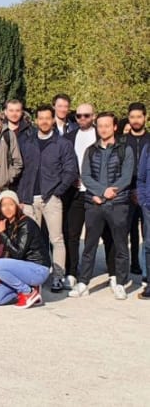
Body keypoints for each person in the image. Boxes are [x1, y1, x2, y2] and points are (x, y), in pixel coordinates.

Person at [70, 112, 134, 300]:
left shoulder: (125, 150)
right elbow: (86, 176)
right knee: (89, 245)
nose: (103, 129)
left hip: (118, 204)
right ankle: (84, 282)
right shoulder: (91, 150)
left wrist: (108, 195)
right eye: (100, 126)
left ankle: (120, 283)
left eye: (107, 125)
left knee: (121, 245)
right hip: (95, 205)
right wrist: (100, 193)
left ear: (115, 127)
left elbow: (126, 177)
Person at [15, 105, 78, 292]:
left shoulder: (62, 144)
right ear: (35, 120)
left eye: (47, 118)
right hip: (28, 199)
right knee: (29, 240)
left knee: (56, 239)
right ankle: (32, 276)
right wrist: (21, 195)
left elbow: (70, 170)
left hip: (51, 198)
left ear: (53, 120)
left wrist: (58, 191)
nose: (43, 121)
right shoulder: (27, 142)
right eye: (40, 118)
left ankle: (58, 276)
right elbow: (20, 169)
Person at [0, 189, 52, 308]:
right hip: (21, 271)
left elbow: (18, 253)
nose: (7, 208)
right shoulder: (8, 223)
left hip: (37, 269)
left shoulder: (26, 223)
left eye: (11, 204)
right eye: (4, 205)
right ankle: (28, 288)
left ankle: (28, 292)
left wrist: (2, 234)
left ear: (17, 206)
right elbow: (7, 252)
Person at [62, 103, 96, 286]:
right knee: (72, 233)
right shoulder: (68, 137)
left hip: (96, 192)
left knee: (97, 234)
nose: (82, 119)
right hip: (75, 192)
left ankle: (113, 274)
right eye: (79, 115)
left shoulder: (102, 135)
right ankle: (72, 271)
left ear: (93, 116)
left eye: (86, 115)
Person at [120, 103, 148, 279]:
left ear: (145, 117)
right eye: (132, 117)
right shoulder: (122, 141)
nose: (136, 120)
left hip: (147, 192)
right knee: (126, 231)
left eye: (139, 116)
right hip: (127, 190)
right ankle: (129, 266)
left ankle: (147, 270)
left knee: (147, 232)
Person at [137, 143, 150, 298]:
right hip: (149, 205)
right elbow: (140, 178)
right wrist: (144, 200)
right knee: (148, 244)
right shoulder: (148, 148)